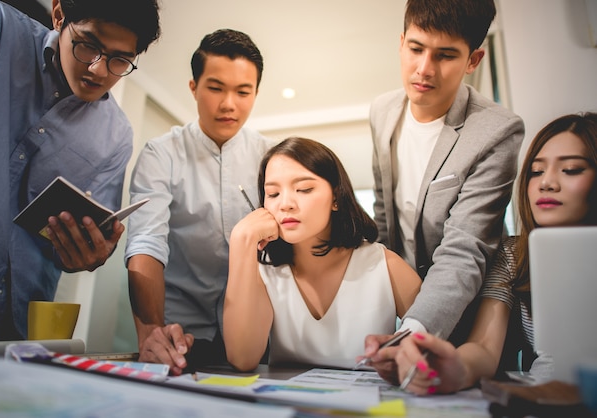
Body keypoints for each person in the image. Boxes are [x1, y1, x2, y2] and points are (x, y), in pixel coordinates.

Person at [0, 0, 161, 341]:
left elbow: (74, 250)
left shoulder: (116, 136)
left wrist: (88, 254)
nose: (100, 71)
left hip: (20, 329)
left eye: (120, 59)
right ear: (59, 14)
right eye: (88, 45)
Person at [373, 112, 597, 395]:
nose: (547, 183)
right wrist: (455, 367)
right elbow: (484, 349)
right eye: (536, 171)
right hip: (542, 400)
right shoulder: (513, 256)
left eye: (572, 169)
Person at [369, 0, 525, 344]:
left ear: (473, 60)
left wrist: (414, 332)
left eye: (445, 55)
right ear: (401, 42)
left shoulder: (497, 130)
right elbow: (384, 217)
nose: (424, 69)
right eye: (416, 48)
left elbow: (465, 248)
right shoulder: (382, 111)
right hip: (396, 309)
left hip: (470, 320)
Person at [125, 29, 275, 375]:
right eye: (215, 88)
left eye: (243, 91)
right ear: (194, 87)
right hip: (180, 333)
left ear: (255, 93)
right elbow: (146, 242)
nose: (228, 104)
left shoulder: (271, 157)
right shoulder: (162, 154)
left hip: (257, 330)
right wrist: (150, 328)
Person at [223, 137, 422, 371]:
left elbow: (438, 342)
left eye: (304, 189)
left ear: (336, 198)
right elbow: (242, 359)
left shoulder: (384, 265)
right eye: (273, 194)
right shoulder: (265, 273)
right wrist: (241, 241)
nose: (285, 204)